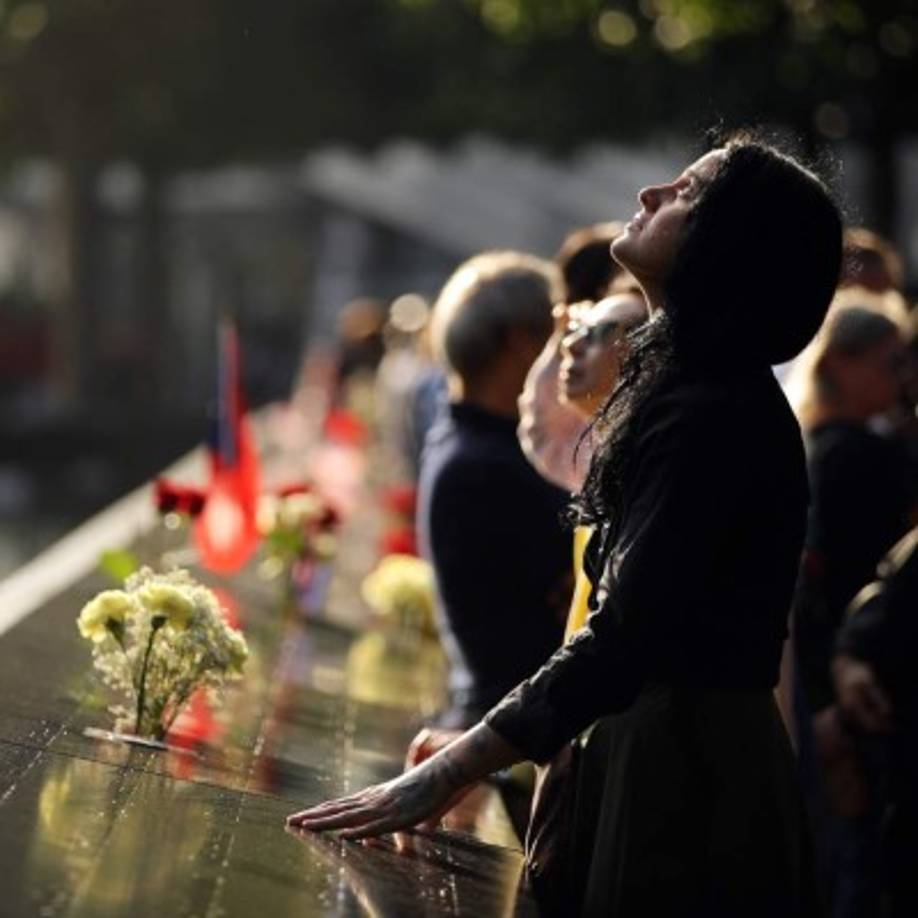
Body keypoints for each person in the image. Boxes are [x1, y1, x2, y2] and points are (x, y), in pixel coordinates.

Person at [288, 136, 842, 917]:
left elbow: (625, 635)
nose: (651, 193)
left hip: (680, 775)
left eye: (686, 192)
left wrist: (450, 771)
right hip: (647, 746)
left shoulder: (711, 412)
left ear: (728, 245)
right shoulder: (692, 391)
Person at [410, 251, 572, 728]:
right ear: (522, 343)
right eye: (559, 335)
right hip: (506, 733)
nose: (571, 351)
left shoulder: (472, 443)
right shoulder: (485, 464)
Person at [787, 305, 912, 917]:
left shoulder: (806, 446)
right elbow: (831, 588)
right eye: (892, 363)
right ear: (842, 363)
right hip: (859, 703)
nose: (904, 379)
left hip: (821, 694)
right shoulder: (863, 457)